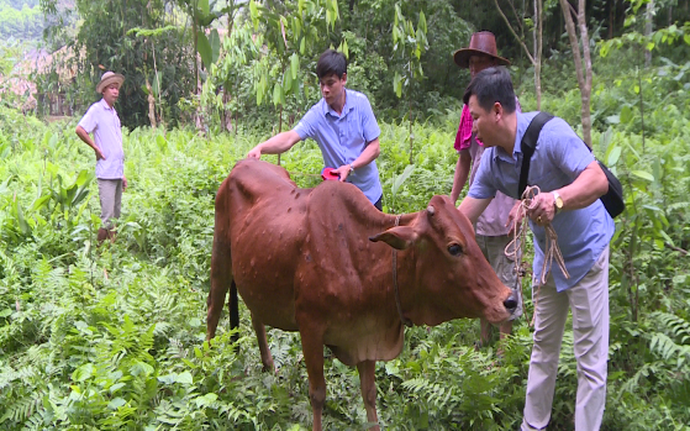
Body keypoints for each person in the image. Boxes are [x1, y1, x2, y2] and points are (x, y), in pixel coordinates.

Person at [458, 67, 614, 431]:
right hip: (549, 263)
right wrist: (425, 230)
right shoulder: (492, 163)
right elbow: (464, 216)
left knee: (589, 360)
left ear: (498, 111)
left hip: (586, 253)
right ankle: (533, 425)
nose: (473, 127)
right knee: (543, 345)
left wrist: (557, 199)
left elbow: (597, 179)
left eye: (476, 117)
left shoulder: (550, 133)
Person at [450, 31, 523, 348]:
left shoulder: (508, 107)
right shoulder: (470, 112)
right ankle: (483, 340)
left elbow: (523, 158)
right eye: (471, 66)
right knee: (479, 273)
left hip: (505, 204)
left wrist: (521, 202)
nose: (474, 71)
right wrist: (451, 205)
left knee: (505, 274)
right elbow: (464, 159)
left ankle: (506, 351)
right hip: (478, 205)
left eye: (480, 65)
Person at [248, 49, 383, 210]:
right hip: (341, 200)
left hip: (370, 194)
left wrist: (350, 167)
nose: (325, 90)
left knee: (374, 236)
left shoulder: (361, 104)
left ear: (343, 79)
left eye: (330, 83)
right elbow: (290, 137)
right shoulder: (317, 115)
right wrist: (261, 148)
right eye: (322, 83)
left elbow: (374, 147)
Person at [76, 71, 127, 244]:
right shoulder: (97, 110)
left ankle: (110, 253)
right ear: (104, 90)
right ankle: (100, 252)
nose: (115, 91)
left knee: (116, 217)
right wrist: (95, 147)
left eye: (117, 88)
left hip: (117, 171)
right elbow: (80, 129)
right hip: (106, 172)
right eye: (112, 88)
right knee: (107, 218)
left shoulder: (113, 113)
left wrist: (123, 174)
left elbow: (116, 143)